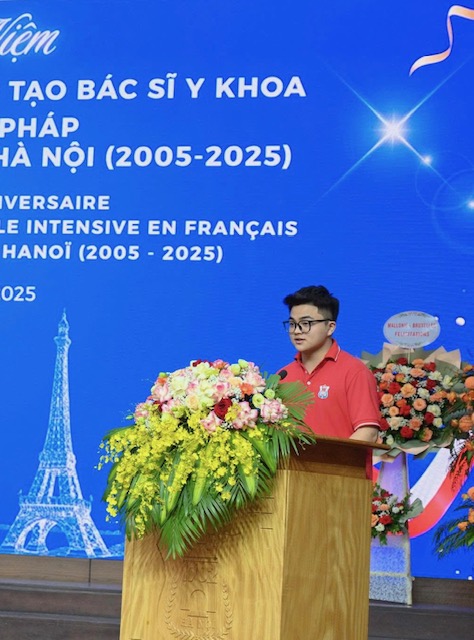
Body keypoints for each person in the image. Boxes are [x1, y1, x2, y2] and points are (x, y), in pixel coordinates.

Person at [279, 285, 380, 442]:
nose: (297, 331)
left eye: (306, 323)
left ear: (330, 327)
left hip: (341, 459)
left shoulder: (354, 372)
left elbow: (368, 432)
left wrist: (328, 458)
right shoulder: (283, 376)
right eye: (292, 324)